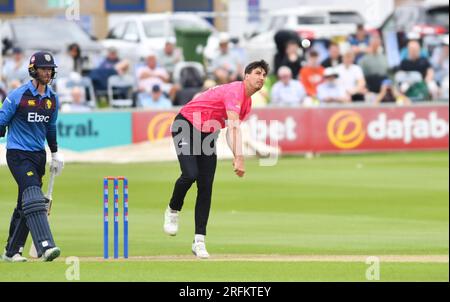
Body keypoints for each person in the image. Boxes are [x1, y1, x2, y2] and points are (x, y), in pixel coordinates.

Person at [163, 60, 269, 259]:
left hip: (209, 133)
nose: (261, 78)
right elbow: (235, 128)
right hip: (185, 124)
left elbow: (230, 131)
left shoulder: (247, 103)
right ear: (246, 75)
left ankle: (199, 240)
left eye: (264, 75)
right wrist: (240, 158)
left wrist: (236, 155)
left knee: (206, 186)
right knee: (190, 174)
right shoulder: (235, 91)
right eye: (257, 73)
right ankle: (173, 209)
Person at [0, 51, 64, 262]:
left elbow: (50, 128)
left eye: (50, 69)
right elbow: (1, 124)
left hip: (38, 155)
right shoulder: (17, 96)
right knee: (34, 196)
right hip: (18, 154)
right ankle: (46, 245)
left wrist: (55, 154)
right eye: (44, 69)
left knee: (25, 204)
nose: (47, 72)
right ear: (33, 70)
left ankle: (11, 251)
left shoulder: (52, 99)